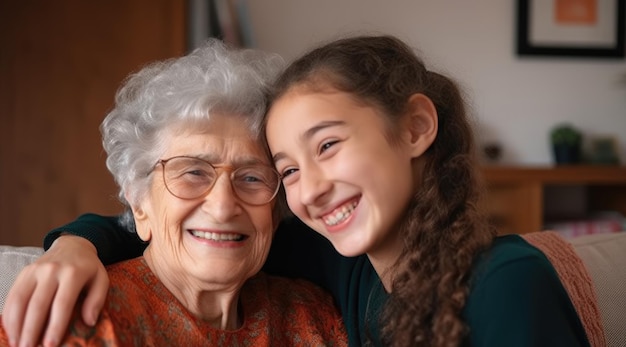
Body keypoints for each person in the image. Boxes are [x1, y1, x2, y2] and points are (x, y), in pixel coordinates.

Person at [3, 35, 590, 347]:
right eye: (286, 170)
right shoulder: (332, 259)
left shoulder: (499, 281)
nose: (226, 203)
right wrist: (74, 245)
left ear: (415, 128)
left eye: (257, 177)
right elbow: (178, 231)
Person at [0, 39, 348, 347]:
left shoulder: (314, 317)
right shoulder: (83, 319)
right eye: (193, 172)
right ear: (140, 204)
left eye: (252, 178)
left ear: (275, 212)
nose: (224, 206)